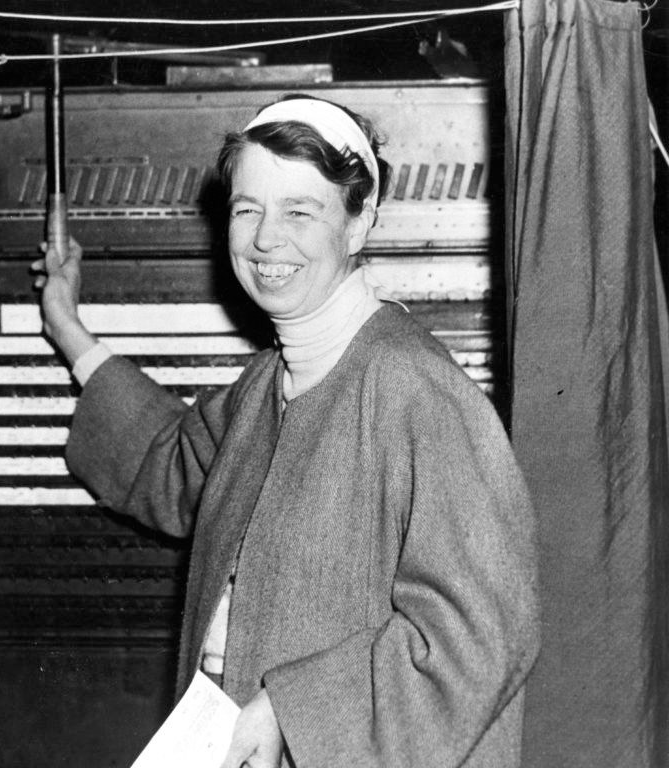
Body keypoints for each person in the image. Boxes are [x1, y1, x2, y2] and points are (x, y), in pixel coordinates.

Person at [31, 95, 540, 767]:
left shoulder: (416, 389)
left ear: (360, 225)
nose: (267, 239)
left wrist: (294, 708)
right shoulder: (266, 382)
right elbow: (168, 463)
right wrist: (65, 323)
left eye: (301, 211)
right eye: (248, 210)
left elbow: (481, 634)